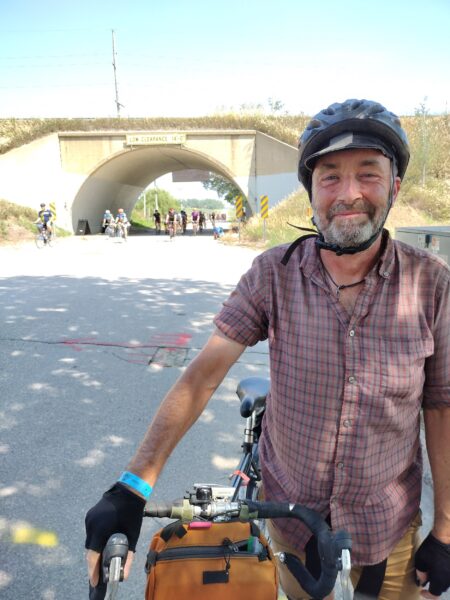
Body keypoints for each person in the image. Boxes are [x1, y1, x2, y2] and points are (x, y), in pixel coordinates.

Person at [85, 99, 450, 600]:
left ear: (395, 186)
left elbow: (441, 405)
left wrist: (447, 530)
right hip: (292, 531)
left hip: (390, 536)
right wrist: (134, 483)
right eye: (330, 178)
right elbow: (202, 377)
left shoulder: (431, 284)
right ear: (310, 194)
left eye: (368, 174)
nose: (349, 194)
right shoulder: (273, 275)